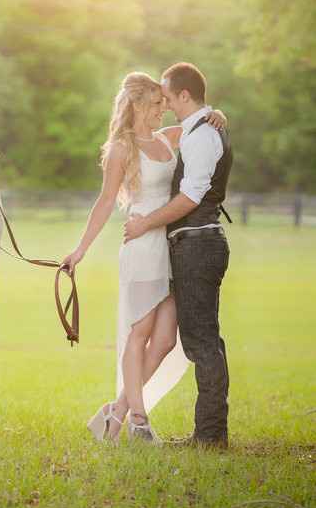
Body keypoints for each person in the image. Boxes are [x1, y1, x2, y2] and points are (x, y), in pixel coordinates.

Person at [61, 71, 227, 443]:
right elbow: (105, 202)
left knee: (166, 340)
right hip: (140, 248)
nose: (163, 110)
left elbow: (201, 126)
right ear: (136, 104)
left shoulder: (169, 139)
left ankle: (114, 414)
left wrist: (220, 116)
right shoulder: (121, 148)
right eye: (156, 103)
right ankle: (138, 419)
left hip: (170, 249)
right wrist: (80, 250)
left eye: (165, 102)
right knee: (139, 335)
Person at [124, 62, 232, 448]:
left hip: (198, 244)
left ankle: (210, 434)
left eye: (168, 98)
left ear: (185, 95)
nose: (165, 105)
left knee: (202, 341)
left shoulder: (202, 136)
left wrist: (144, 223)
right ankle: (208, 431)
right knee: (200, 339)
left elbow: (190, 197)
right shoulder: (197, 129)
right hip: (188, 245)